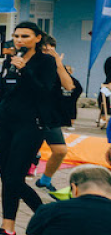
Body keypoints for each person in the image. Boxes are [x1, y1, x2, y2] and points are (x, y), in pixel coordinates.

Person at [0, 22, 59, 235]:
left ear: (37, 38)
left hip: (30, 125)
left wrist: (26, 69)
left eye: (25, 36)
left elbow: (45, 92)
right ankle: (8, 229)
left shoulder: (46, 62)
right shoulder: (10, 61)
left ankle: (48, 218)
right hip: (5, 123)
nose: (19, 40)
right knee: (7, 177)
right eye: (16, 36)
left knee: (15, 176)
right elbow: (2, 93)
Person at [36, 38, 79, 192]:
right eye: (45, 51)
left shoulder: (57, 68)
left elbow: (69, 86)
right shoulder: (32, 65)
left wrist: (58, 64)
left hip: (50, 116)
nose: (48, 54)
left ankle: (45, 180)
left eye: (51, 51)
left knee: (60, 151)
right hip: (30, 115)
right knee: (26, 151)